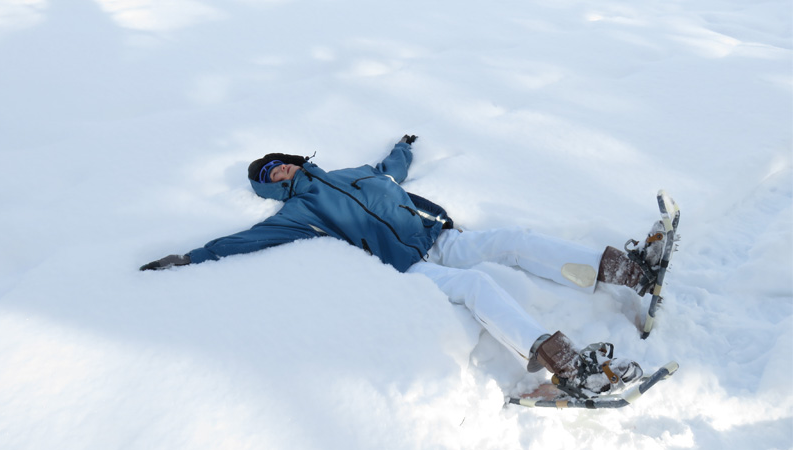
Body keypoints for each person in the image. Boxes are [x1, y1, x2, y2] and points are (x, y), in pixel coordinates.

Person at [140, 135, 666, 397]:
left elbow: (387, 172)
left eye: (280, 162)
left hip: (436, 235)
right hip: (408, 266)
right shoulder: (299, 212)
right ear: (269, 188)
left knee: (513, 240)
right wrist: (192, 257)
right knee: (476, 286)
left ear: (296, 159)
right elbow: (247, 240)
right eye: (269, 174)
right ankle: (565, 363)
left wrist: (403, 147)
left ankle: (629, 271)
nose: (279, 170)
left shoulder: (349, 172)